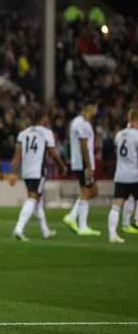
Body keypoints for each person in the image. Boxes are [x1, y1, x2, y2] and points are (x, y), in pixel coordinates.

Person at [8, 110, 67, 241]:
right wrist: (62, 165)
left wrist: (13, 172)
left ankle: (45, 231)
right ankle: (18, 229)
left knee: (38, 202)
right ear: (43, 118)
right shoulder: (46, 133)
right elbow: (52, 152)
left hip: (27, 172)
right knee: (33, 199)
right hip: (38, 171)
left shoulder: (23, 133)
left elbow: (17, 155)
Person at [63, 101, 101, 236]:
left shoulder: (79, 122)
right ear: (91, 108)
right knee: (87, 191)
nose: (97, 111)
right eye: (96, 108)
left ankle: (72, 216)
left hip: (83, 162)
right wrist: (89, 166)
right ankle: (83, 226)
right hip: (83, 163)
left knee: (92, 190)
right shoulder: (82, 124)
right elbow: (83, 145)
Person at [106, 110, 138, 243]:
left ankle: (112, 234)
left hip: (120, 174)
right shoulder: (137, 135)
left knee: (116, 206)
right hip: (135, 174)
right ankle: (135, 222)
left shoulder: (119, 135)